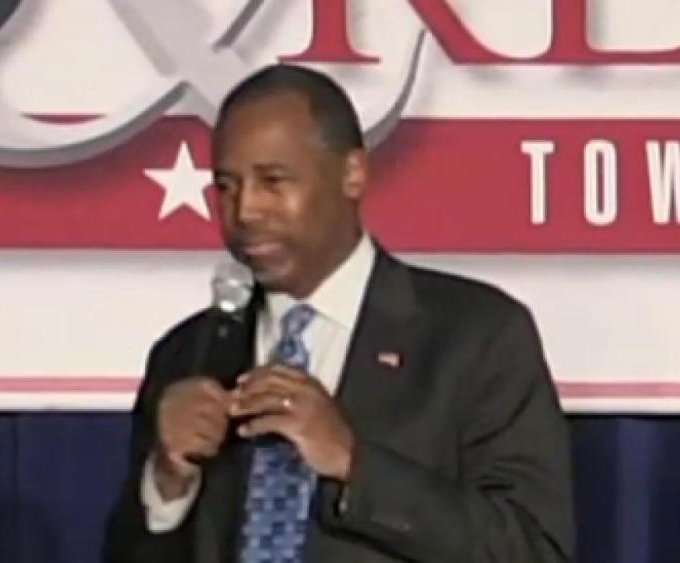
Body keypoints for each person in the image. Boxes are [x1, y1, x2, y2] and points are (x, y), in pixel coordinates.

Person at [104, 64, 574, 563]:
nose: (245, 212)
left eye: (273, 181)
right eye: (227, 186)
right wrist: (167, 485)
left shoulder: (477, 337)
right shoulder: (188, 355)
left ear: (352, 174)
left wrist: (354, 463)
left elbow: (533, 550)